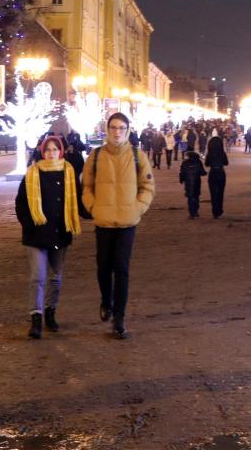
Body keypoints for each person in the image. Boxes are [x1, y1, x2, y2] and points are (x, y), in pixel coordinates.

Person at [81, 112, 155, 339]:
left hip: (127, 222)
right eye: (113, 127)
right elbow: (87, 187)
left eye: (121, 128)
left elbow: (148, 186)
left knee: (121, 269)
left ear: (127, 130)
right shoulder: (95, 156)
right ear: (107, 129)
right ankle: (107, 300)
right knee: (103, 267)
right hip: (103, 221)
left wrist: (138, 208)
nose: (117, 132)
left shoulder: (137, 156)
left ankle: (119, 318)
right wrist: (94, 207)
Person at [15, 135, 81, 339]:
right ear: (42, 152)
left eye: (55, 149)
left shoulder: (69, 172)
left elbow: (78, 201)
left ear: (60, 151)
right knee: (38, 277)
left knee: (55, 277)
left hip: (60, 233)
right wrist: (30, 225)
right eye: (47, 150)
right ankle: (36, 317)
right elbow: (21, 204)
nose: (51, 153)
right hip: (36, 235)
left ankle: (50, 312)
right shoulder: (32, 174)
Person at [203, 134, 229, 219]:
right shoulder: (222, 153)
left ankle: (215, 211)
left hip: (213, 173)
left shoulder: (209, 154)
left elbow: (206, 164)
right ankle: (219, 210)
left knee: (213, 193)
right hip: (221, 172)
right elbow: (226, 163)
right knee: (220, 193)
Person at [178, 149, 206, 218]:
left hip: (188, 183)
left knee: (190, 197)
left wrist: (181, 180)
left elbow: (182, 172)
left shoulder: (184, 162)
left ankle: (191, 213)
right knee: (196, 196)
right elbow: (202, 172)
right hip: (197, 181)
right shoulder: (198, 162)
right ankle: (196, 211)